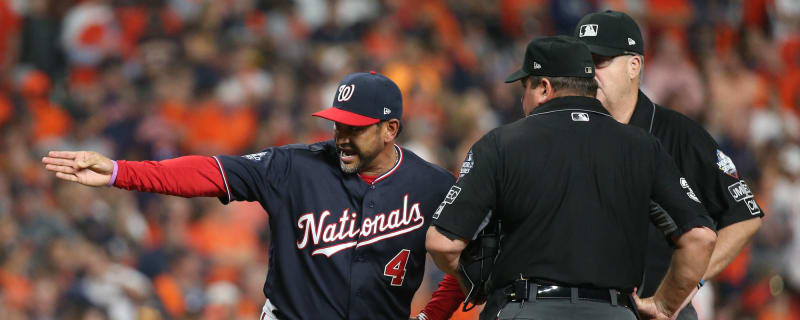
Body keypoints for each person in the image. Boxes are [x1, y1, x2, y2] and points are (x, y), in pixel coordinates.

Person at [42, 71, 457, 320]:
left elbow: (473, 263)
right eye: (338, 125)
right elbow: (210, 172)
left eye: (356, 128)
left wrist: (433, 315)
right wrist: (119, 171)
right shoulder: (295, 166)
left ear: (390, 130)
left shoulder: (433, 186)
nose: (342, 137)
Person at [424, 35, 717, 320]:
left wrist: (472, 283)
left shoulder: (501, 144)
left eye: (524, 87)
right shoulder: (642, 146)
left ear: (543, 88)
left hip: (526, 307)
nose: (522, 98)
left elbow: (442, 243)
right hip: (613, 310)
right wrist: (665, 305)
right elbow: (700, 237)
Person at [574, 10, 764, 319]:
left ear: (634, 65)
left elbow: (744, 216)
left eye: (600, 62)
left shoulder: (679, 134)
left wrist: (687, 281)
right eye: (582, 63)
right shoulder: (567, 131)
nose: (588, 72)